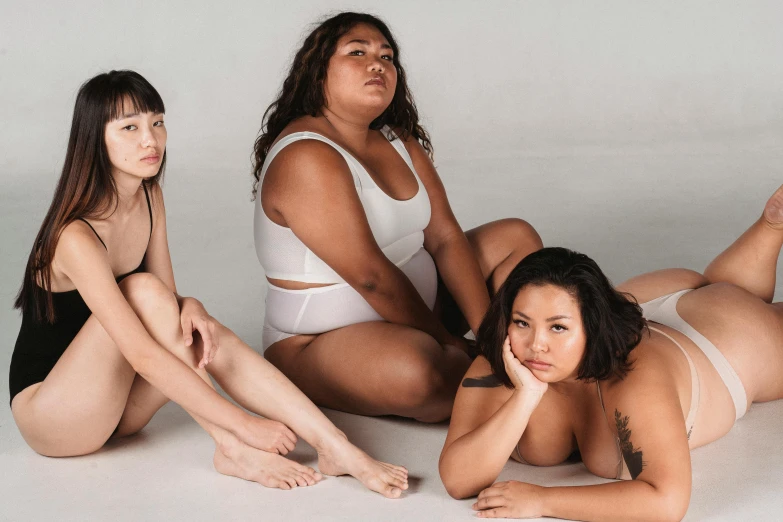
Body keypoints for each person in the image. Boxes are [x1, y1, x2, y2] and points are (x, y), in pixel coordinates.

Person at [9, 70, 408, 498]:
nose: (151, 140)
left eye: (157, 123)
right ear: (94, 139)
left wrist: (191, 304)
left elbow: (167, 305)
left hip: (117, 407)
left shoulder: (148, 196)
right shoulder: (73, 235)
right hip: (55, 417)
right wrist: (242, 421)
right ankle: (232, 446)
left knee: (198, 329)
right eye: (130, 127)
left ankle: (335, 446)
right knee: (140, 291)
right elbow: (141, 351)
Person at [252, 12, 542, 422]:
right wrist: (446, 340)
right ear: (318, 73)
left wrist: (488, 335)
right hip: (319, 341)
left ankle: (506, 361)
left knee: (516, 237)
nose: (377, 64)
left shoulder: (397, 140)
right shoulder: (306, 155)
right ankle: (523, 377)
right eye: (358, 52)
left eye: (387, 57)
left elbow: (445, 238)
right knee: (420, 376)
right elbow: (371, 276)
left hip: (419, 314)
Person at [439, 185, 783, 520]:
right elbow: (457, 479)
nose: (536, 344)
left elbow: (666, 502)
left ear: (591, 329)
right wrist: (526, 396)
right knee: (719, 288)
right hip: (636, 302)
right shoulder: (502, 360)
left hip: (719, 336)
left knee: (735, 299)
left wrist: (542, 500)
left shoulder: (637, 376)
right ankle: (768, 230)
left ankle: (770, 229)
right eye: (522, 322)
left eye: (557, 328)